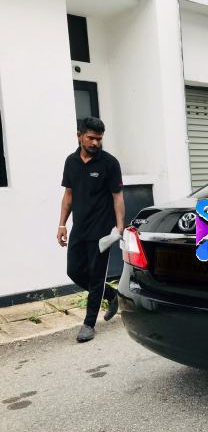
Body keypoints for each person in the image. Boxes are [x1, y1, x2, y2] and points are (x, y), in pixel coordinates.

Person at [57, 117, 125, 342]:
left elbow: (117, 196)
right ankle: (111, 294)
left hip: (102, 230)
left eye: (99, 138)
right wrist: (62, 224)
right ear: (80, 136)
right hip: (80, 227)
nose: (96, 143)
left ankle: (89, 324)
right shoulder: (71, 161)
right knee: (74, 271)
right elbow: (68, 195)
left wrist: (119, 227)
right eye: (91, 138)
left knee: (96, 276)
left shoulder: (109, 163)